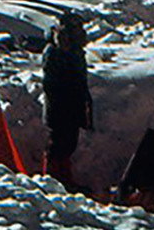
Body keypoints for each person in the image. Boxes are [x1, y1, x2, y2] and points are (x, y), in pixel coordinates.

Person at [42, 12, 92, 188]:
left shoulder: (75, 51)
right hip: (61, 106)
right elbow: (53, 82)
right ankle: (53, 180)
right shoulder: (55, 52)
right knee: (58, 144)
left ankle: (65, 180)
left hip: (73, 104)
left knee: (69, 143)